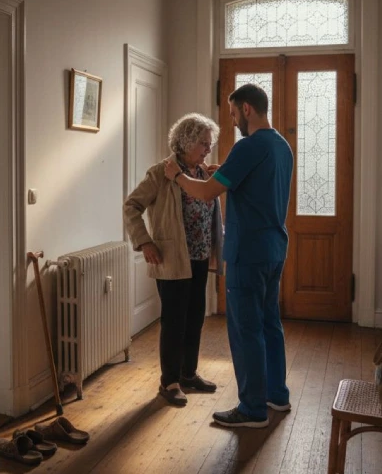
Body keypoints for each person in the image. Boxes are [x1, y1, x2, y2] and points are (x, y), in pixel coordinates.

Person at [163, 84, 293, 428]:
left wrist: (176, 175)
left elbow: (206, 193)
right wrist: (226, 171)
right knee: (270, 324)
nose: (233, 120)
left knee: (245, 330)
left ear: (247, 109)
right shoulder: (282, 146)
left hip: (247, 253)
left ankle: (252, 409)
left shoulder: (248, 146)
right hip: (275, 249)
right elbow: (254, 184)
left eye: (234, 113)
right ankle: (276, 396)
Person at [123, 113, 224, 406]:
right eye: (203, 143)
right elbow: (131, 206)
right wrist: (144, 241)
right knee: (174, 322)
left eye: (210, 143)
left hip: (200, 256)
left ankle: (188, 374)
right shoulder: (160, 172)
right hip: (172, 258)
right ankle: (169, 382)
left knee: (195, 318)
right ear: (186, 141)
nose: (208, 149)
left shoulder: (204, 173)